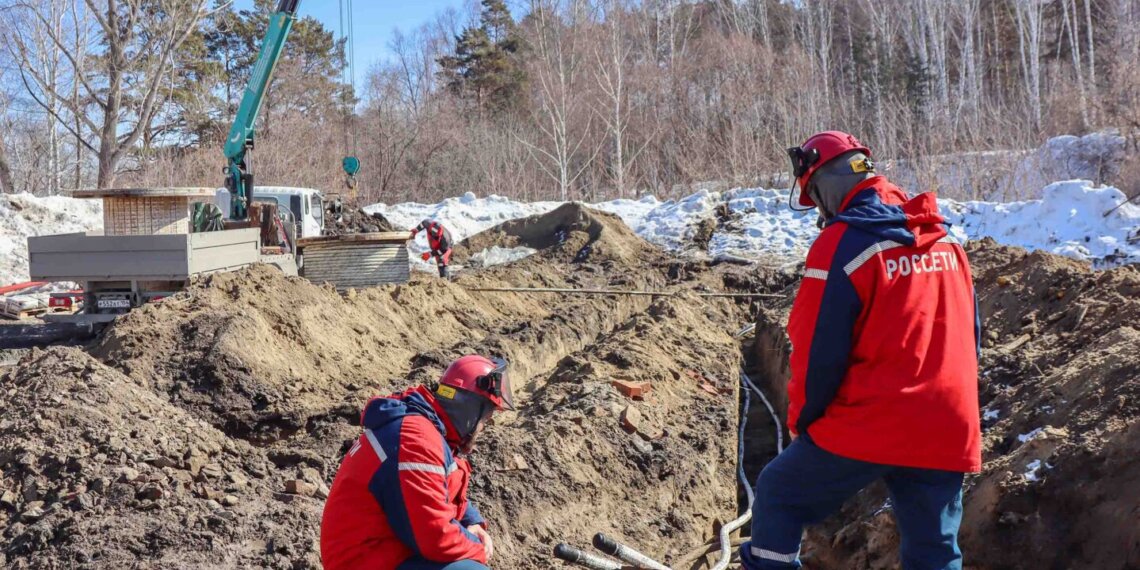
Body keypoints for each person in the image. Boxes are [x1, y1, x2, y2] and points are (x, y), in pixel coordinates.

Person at [739, 131, 982, 570]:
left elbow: (816, 355)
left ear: (825, 183)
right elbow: (971, 335)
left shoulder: (843, 245)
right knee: (935, 551)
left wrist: (804, 424)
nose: (821, 212)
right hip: (947, 421)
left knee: (778, 491)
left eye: (816, 196)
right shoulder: (946, 239)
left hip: (874, 420)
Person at [320, 355, 515, 570]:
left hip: (383, 552)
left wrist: (472, 522)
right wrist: (478, 548)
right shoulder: (417, 441)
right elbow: (435, 537)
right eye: (485, 420)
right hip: (366, 561)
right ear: (470, 410)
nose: (482, 429)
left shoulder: (428, 432)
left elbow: (439, 491)